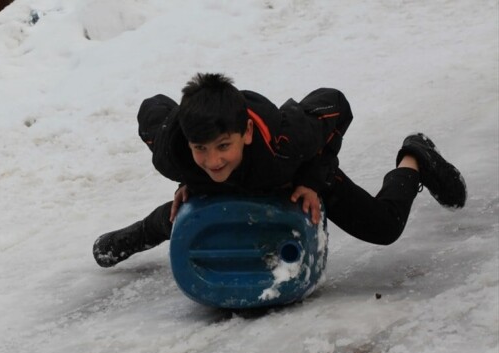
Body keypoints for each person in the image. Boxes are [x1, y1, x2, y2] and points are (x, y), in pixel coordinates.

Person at [92, 73, 467, 268]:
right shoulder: (172, 152)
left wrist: (310, 180)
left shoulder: (287, 140)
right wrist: (188, 179)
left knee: (384, 228)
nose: (214, 159)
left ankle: (415, 157)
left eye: (224, 146)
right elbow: (152, 107)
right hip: (220, 177)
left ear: (247, 132)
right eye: (200, 149)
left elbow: (335, 103)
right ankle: (133, 237)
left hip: (294, 173)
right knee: (188, 204)